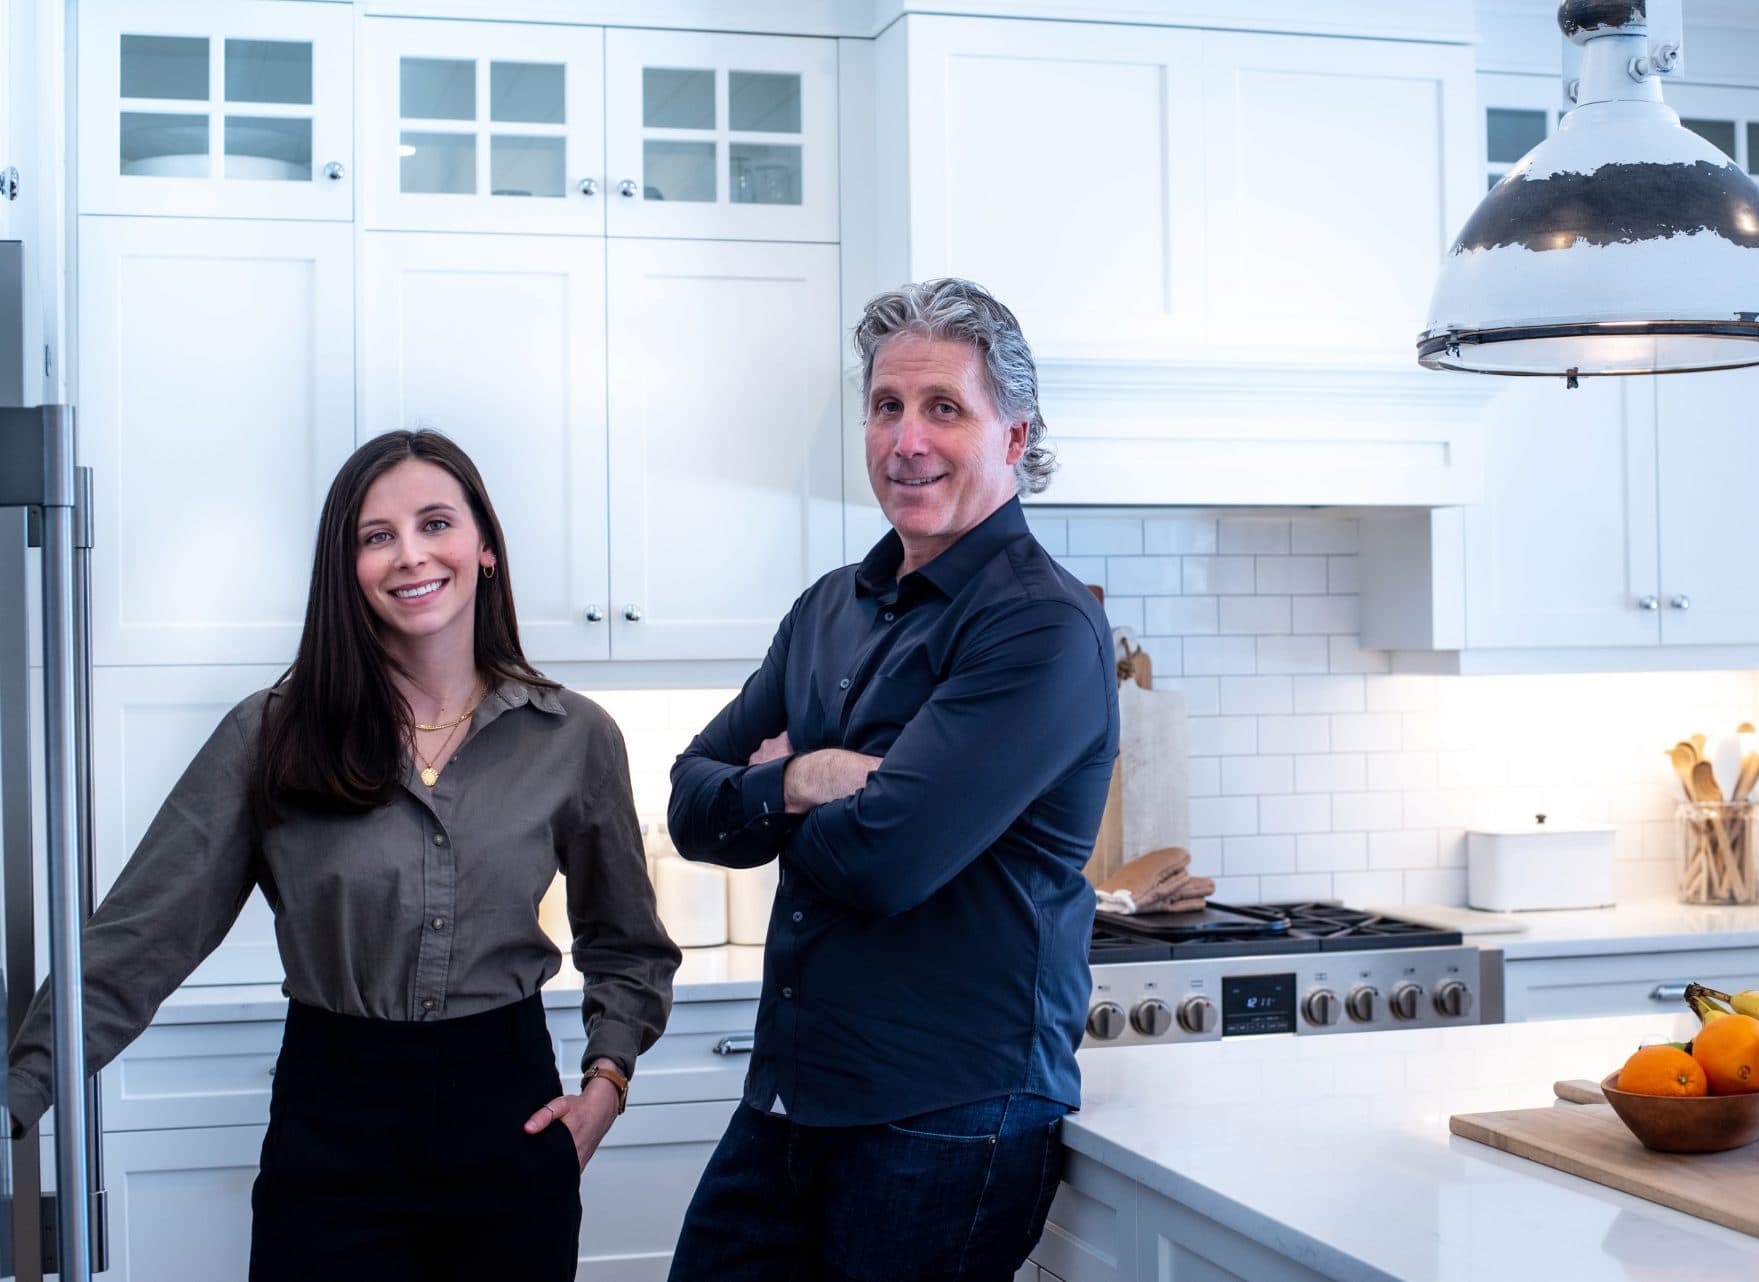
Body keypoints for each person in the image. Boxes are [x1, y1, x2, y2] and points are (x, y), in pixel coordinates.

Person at [7, 430, 680, 1281]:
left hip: (507, 1123)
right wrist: (17, 1097)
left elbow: (628, 946)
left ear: (485, 549)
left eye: (436, 523)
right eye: (376, 536)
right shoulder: (271, 734)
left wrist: (605, 1087)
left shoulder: (574, 736)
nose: (410, 556)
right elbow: (142, 938)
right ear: (348, 568)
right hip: (331, 1129)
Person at [666, 278, 1118, 1281]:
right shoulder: (830, 607)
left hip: (950, 1117)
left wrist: (794, 802)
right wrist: (808, 781)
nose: (906, 439)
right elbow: (692, 805)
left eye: (943, 408)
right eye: (886, 406)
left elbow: (885, 858)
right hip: (794, 1095)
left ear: (1013, 436)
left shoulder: (1039, 625)